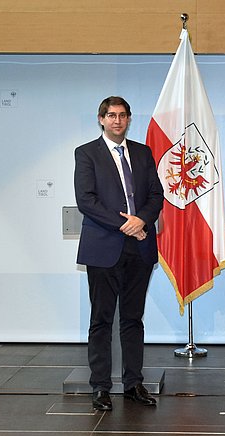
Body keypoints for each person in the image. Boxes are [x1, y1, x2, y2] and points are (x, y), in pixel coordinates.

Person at [74, 96, 163, 411]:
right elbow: (86, 200)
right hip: (104, 248)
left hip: (139, 248)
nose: (117, 121)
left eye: (123, 115)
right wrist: (127, 225)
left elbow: (156, 194)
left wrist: (142, 220)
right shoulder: (86, 153)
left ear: (129, 119)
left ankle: (133, 383)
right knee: (101, 319)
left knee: (132, 319)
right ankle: (100, 387)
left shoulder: (142, 152)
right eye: (111, 115)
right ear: (100, 119)